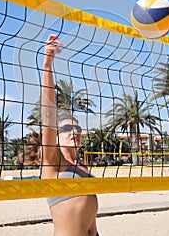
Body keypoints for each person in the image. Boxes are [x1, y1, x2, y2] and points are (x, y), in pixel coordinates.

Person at [41, 34, 99, 236]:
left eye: (77, 129)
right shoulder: (53, 162)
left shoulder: (81, 165)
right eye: (66, 129)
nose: (74, 132)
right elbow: (48, 116)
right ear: (55, 137)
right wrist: (47, 66)